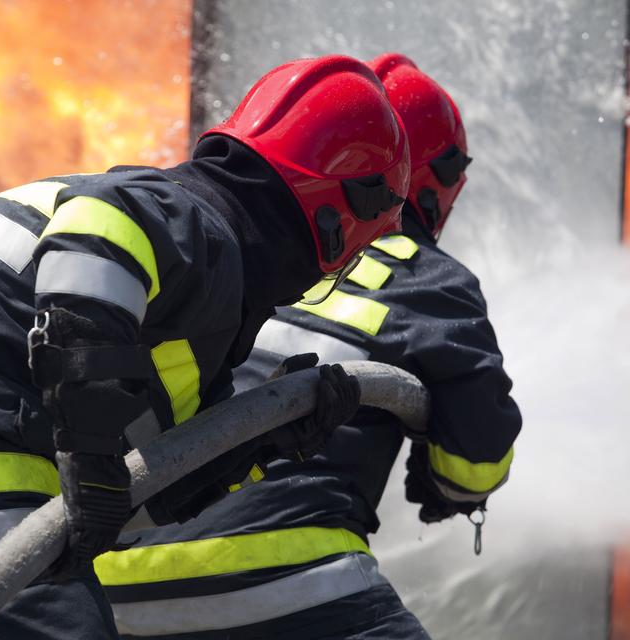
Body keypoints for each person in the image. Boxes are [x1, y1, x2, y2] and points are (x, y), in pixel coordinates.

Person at [99, 53, 522, 639]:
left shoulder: (224, 247)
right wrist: (444, 472)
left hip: (104, 581)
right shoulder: (429, 280)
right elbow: (475, 464)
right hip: (277, 577)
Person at [0, 54, 410, 640]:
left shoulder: (199, 307)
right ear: (342, 214)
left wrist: (260, 442)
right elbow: (101, 232)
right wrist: (89, 455)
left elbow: (124, 504)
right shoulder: (197, 223)